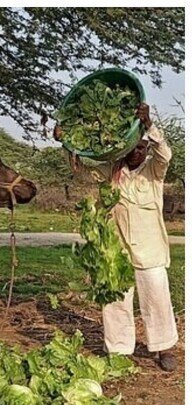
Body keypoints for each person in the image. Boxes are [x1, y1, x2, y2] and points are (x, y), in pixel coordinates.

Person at [54, 103, 178, 371]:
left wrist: (148, 125)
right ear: (126, 147)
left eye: (142, 148)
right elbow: (82, 171)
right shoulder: (112, 169)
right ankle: (119, 348)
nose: (137, 153)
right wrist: (66, 144)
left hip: (151, 247)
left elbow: (165, 154)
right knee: (115, 297)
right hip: (116, 247)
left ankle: (163, 347)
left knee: (156, 296)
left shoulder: (153, 172)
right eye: (134, 147)